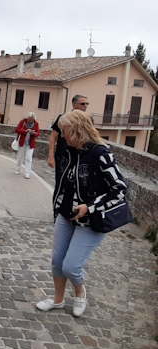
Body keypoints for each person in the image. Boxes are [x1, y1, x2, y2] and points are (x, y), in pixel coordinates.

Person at [36, 110, 127, 317]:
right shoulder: (69, 151)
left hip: (91, 220)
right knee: (57, 260)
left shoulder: (101, 154)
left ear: (76, 130)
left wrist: (90, 206)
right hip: (65, 214)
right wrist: (58, 206)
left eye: (65, 131)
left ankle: (79, 293)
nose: (62, 135)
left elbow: (120, 189)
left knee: (71, 266)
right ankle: (58, 300)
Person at [48, 94, 89, 169]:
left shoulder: (88, 120)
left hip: (79, 157)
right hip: (62, 156)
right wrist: (51, 156)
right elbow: (53, 138)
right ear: (74, 105)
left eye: (87, 104)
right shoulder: (63, 118)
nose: (85, 106)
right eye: (83, 104)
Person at [14, 112, 40, 179]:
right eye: (29, 119)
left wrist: (33, 133)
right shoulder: (22, 122)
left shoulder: (36, 123)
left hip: (30, 143)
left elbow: (37, 133)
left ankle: (27, 173)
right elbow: (17, 130)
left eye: (32, 120)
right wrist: (25, 131)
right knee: (20, 157)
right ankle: (18, 169)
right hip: (22, 142)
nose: (30, 121)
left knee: (29, 158)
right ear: (27, 118)